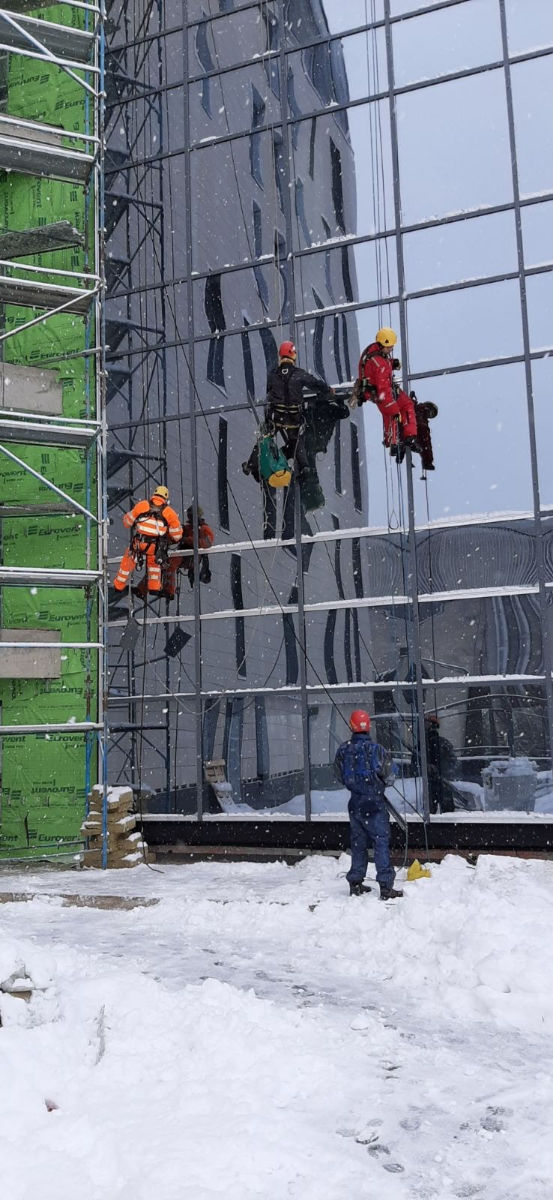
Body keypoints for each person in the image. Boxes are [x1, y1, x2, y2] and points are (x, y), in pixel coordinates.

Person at [334, 709, 403, 900]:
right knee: (380, 842)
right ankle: (386, 887)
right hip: (374, 804)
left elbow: (339, 775)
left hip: (355, 804)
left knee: (358, 843)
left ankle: (355, 882)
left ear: (351, 726)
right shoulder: (377, 750)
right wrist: (376, 784)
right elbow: (390, 777)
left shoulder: (343, 750)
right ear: (368, 726)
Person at [242, 340, 333, 479]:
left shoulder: (272, 375)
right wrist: (327, 390)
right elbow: (315, 384)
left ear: (280, 356)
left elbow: (269, 392)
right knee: (296, 440)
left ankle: (250, 464)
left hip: (276, 418)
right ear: (293, 356)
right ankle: (305, 467)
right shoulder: (299, 374)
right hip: (293, 419)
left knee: (264, 438)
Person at [355, 327, 419, 455]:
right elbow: (383, 389)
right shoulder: (380, 365)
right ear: (381, 344)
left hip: (374, 391)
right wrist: (394, 409)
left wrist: (391, 363)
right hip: (380, 393)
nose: (391, 349)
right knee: (392, 412)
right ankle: (396, 441)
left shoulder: (373, 352)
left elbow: (374, 366)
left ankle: (401, 438)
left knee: (403, 405)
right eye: (389, 347)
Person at [113, 485, 183, 595]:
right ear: (166, 498)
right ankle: (154, 587)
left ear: (154, 494)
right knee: (154, 565)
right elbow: (177, 535)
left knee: (128, 561)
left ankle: (118, 585)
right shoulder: (169, 512)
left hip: (139, 543)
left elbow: (127, 522)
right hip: (155, 547)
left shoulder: (142, 505)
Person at [162, 505, 215, 596]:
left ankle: (168, 590)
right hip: (185, 554)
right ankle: (162, 588)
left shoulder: (203, 529)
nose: (190, 517)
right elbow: (177, 536)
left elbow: (207, 543)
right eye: (189, 515)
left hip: (192, 557)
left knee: (170, 564)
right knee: (164, 563)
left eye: (191, 515)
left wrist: (187, 540)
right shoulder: (187, 528)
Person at [423, 713, 458, 814]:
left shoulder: (425, 745)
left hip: (437, 783)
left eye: (427, 724)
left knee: (437, 813)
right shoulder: (444, 744)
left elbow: (453, 763)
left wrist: (439, 771)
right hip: (435, 783)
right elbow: (453, 763)